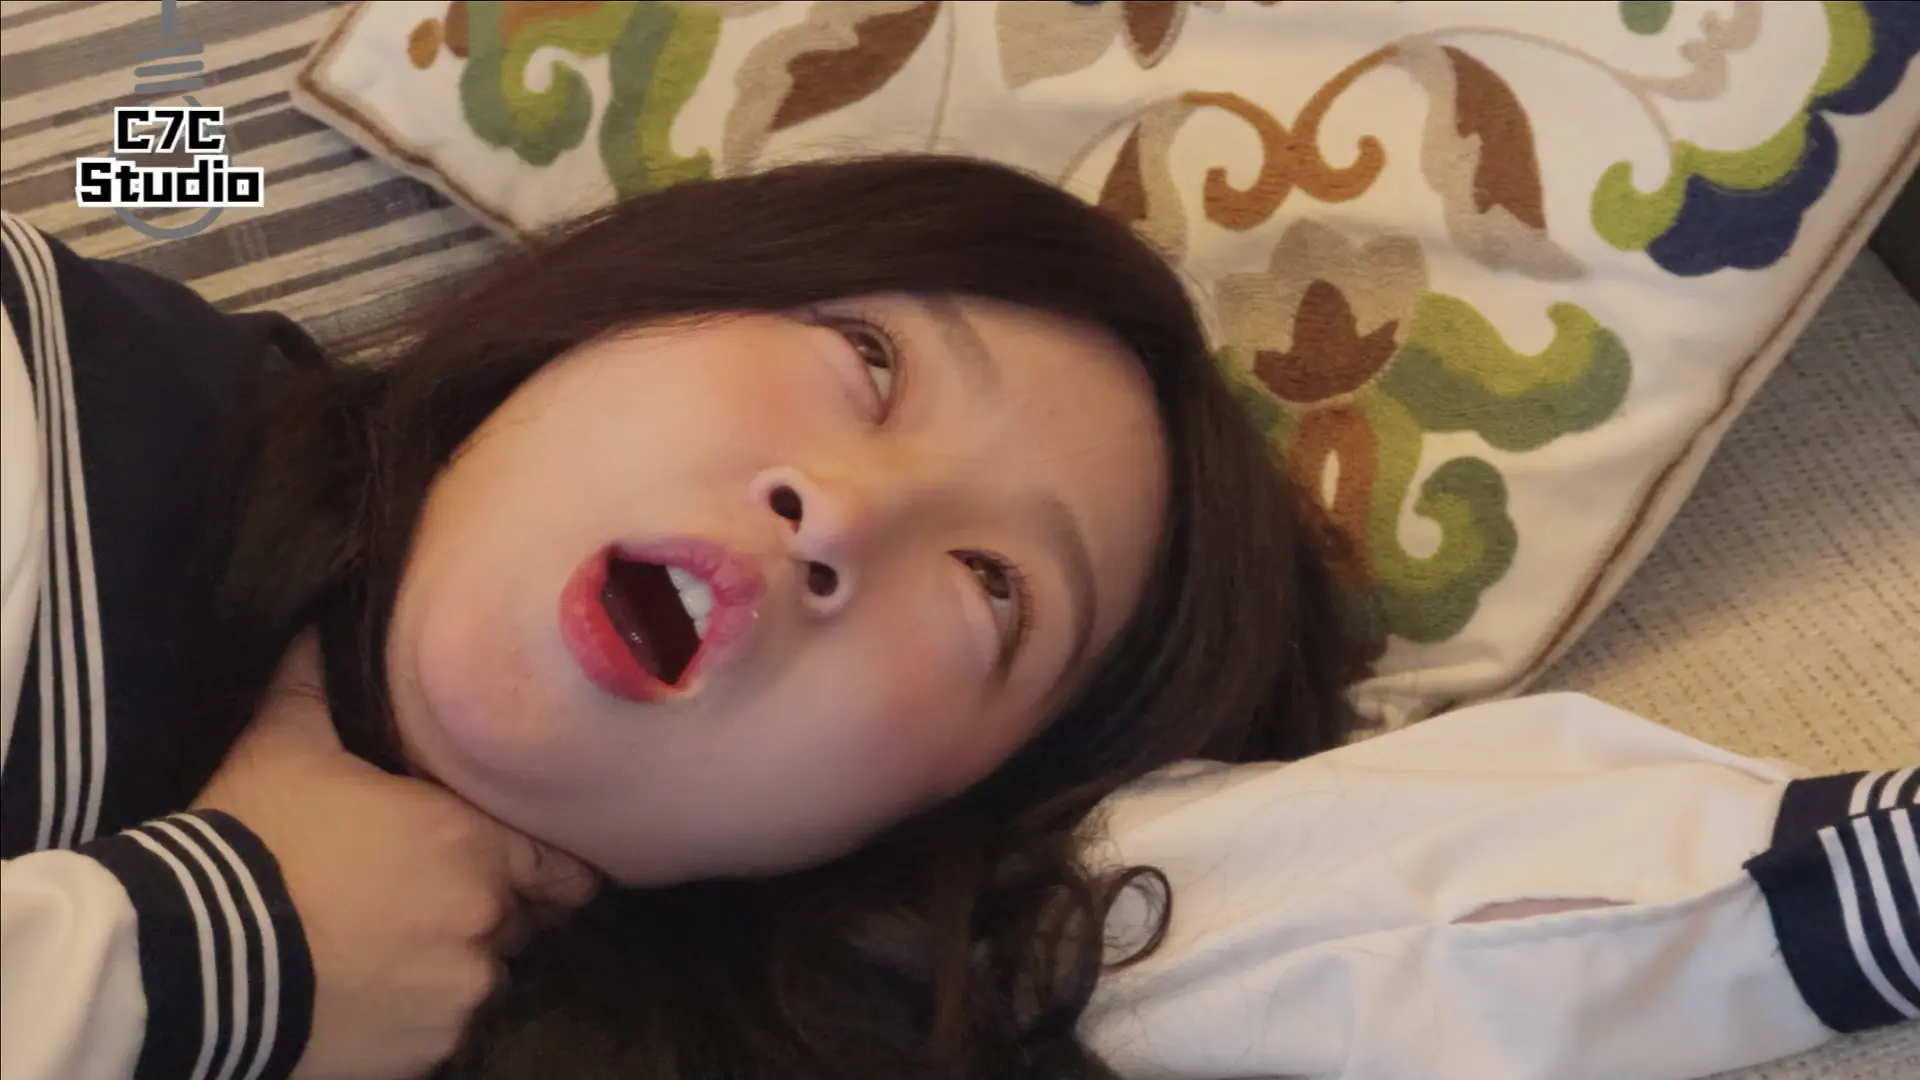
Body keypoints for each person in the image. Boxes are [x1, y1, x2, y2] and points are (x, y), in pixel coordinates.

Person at [0, 157, 1910, 1080]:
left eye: (996, 592)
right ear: (604, 319)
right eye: (865, 360)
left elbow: (1337, 916)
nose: (843, 512)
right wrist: (215, 956)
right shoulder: (65, 407)